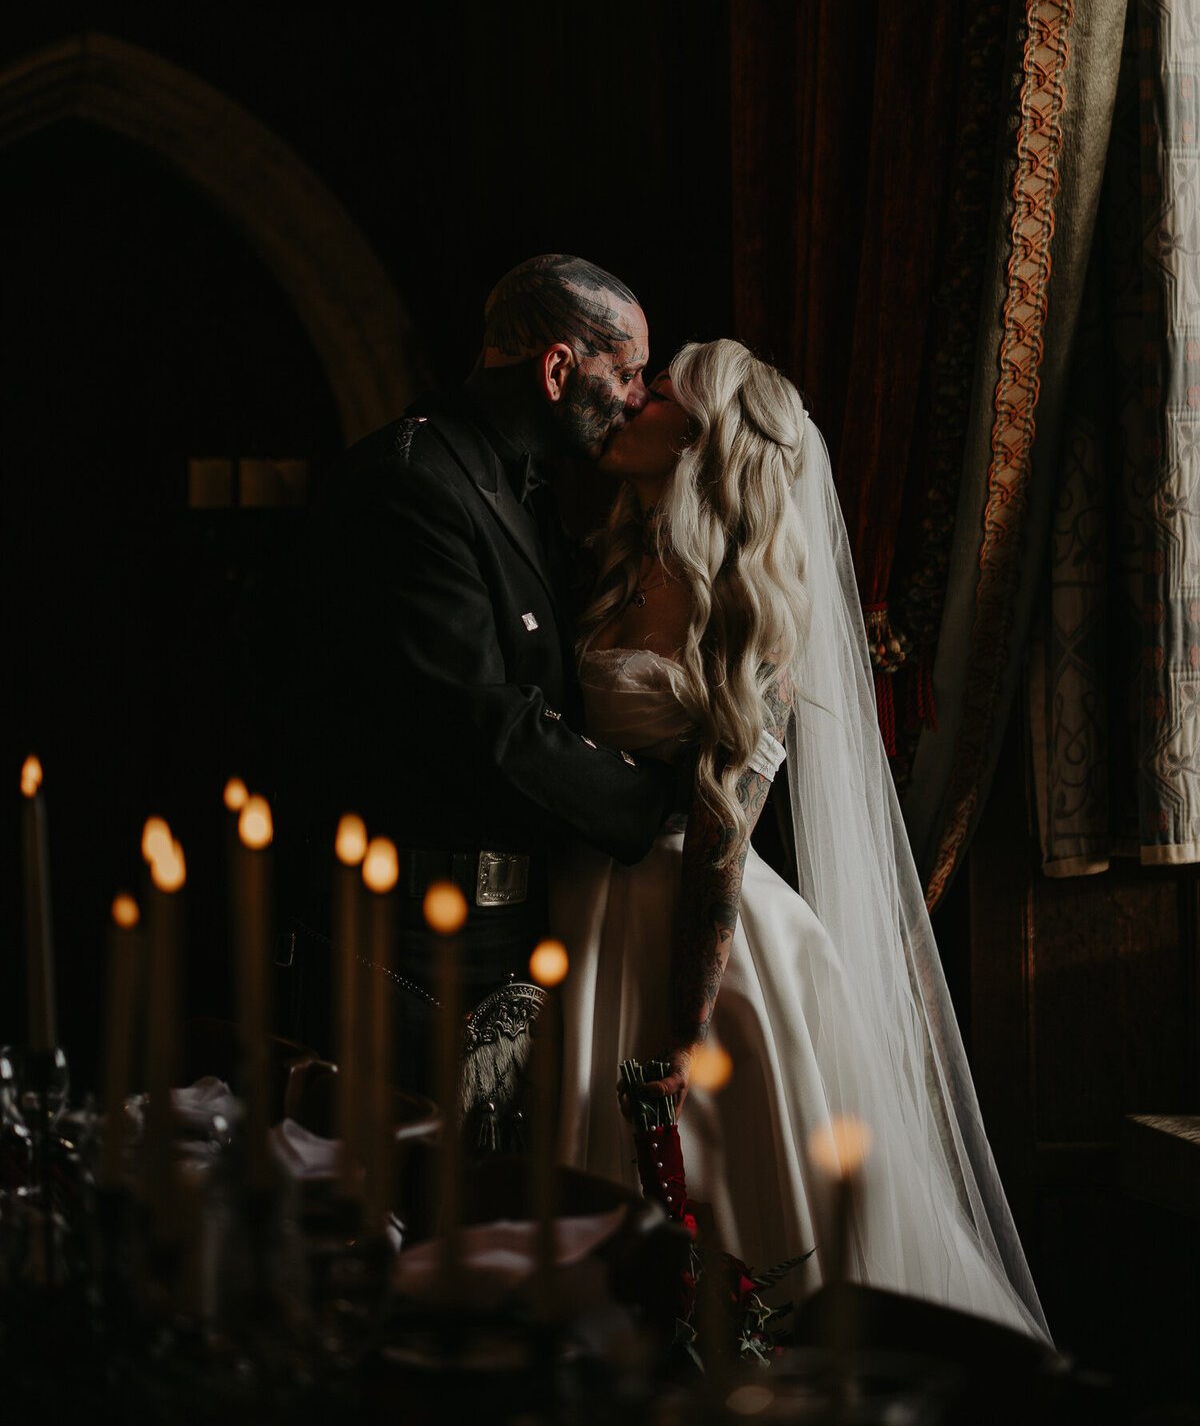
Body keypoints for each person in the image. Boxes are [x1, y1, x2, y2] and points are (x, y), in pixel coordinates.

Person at [550, 338, 1050, 1340]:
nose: (631, 403)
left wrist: (683, 1031)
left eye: (659, 398)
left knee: (736, 1225)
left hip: (703, 940)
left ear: (704, 442)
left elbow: (724, 833)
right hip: (584, 907)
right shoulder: (613, 553)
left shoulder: (750, 611)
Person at [284, 254, 673, 1093]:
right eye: (630, 372)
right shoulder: (410, 481)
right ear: (558, 368)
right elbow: (479, 721)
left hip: (505, 928)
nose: (638, 397)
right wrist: (658, 803)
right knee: (412, 1202)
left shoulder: (527, 490)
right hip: (406, 941)